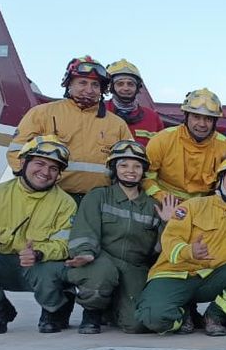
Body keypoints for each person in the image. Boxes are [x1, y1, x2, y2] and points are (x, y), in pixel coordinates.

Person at [0, 136, 76, 334]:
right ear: (22, 163)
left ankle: (54, 309)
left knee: (51, 268)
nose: (45, 172)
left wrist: (38, 253)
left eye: (54, 168)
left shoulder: (65, 203)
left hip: (36, 266)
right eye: (39, 163)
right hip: (2, 264)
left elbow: (64, 244)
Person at [135, 156, 226, 337]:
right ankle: (183, 312)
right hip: (173, 275)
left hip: (209, 279)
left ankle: (213, 317)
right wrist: (190, 251)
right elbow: (170, 238)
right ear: (220, 181)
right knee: (154, 318)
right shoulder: (192, 206)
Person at [66, 140, 172, 334]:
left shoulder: (152, 206)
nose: (130, 170)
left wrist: (166, 222)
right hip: (101, 259)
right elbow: (84, 230)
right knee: (101, 275)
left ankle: (113, 309)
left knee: (137, 324)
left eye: (137, 166)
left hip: (134, 267)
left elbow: (158, 250)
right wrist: (85, 253)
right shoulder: (98, 197)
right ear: (114, 168)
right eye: (123, 165)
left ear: (143, 171)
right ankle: (92, 312)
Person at [10, 56, 133, 198]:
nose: (89, 89)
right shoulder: (42, 113)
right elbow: (16, 151)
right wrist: (33, 186)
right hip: (50, 197)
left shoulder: (117, 124)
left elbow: (131, 161)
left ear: (102, 89)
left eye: (95, 85)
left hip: (100, 201)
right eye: (82, 83)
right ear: (69, 84)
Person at [144, 88, 226, 202]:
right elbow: (146, 176)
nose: (202, 124)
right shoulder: (163, 139)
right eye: (196, 117)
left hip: (202, 205)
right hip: (163, 202)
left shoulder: (225, 146)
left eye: (208, 119)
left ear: (215, 121)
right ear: (186, 117)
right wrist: (162, 197)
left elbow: (225, 184)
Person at [104, 59, 163, 146]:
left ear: (138, 87)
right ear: (111, 87)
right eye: (120, 84)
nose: (126, 88)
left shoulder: (152, 117)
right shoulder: (99, 111)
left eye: (130, 84)